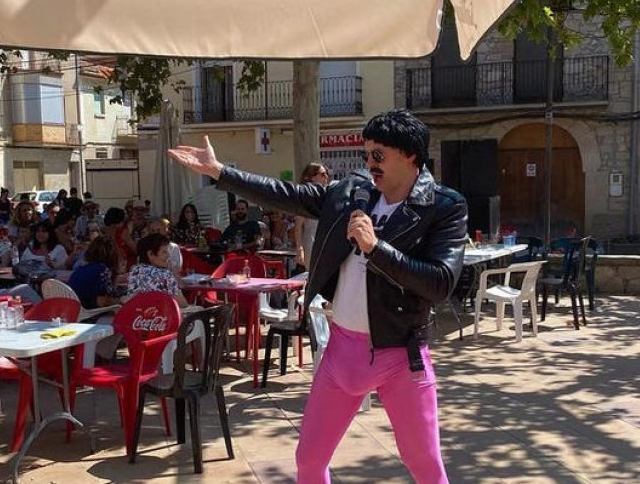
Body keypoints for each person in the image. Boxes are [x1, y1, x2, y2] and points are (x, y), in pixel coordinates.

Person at [169, 109, 466, 484]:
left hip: (400, 354)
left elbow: (440, 282)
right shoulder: (353, 191)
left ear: (410, 156)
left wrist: (377, 249)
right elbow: (289, 195)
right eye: (367, 154)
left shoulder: (443, 205)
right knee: (308, 461)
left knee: (424, 465)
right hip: (343, 351)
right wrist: (220, 172)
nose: (370, 164)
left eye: (379, 155)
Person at [126, 233, 188, 307]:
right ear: (150, 254)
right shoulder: (165, 274)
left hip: (138, 316)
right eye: (164, 252)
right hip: (162, 316)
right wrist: (174, 275)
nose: (168, 255)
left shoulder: (134, 271)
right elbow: (182, 303)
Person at [67, 235, 121, 310]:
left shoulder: (83, 268)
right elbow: (106, 300)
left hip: (70, 307)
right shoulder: (102, 270)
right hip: (85, 312)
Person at [294, 163, 330, 269]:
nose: (326, 177)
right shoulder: (305, 196)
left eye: (326, 173)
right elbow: (298, 226)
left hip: (326, 240)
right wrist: (299, 248)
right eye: (323, 174)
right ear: (312, 178)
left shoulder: (327, 194)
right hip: (311, 241)